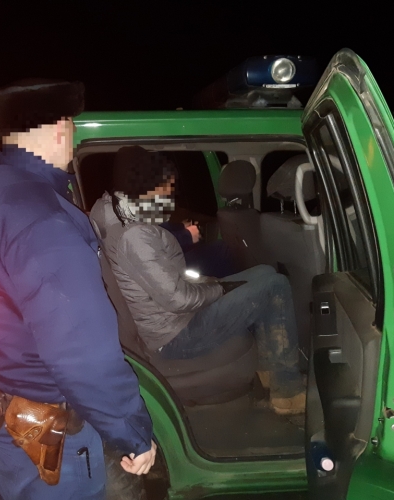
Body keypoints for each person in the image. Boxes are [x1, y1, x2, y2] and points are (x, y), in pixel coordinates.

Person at [0, 80, 155, 500]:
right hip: (48, 432)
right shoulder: (42, 218)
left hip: (5, 415)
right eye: (72, 127)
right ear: (61, 128)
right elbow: (82, 354)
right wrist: (133, 433)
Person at [89, 145, 305, 415]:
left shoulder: (121, 212)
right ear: (145, 185)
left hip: (174, 319)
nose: (170, 191)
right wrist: (217, 289)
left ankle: (272, 372)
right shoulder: (134, 236)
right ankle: (288, 392)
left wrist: (209, 284)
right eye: (166, 185)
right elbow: (178, 299)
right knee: (275, 285)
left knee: (264, 273)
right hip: (177, 335)